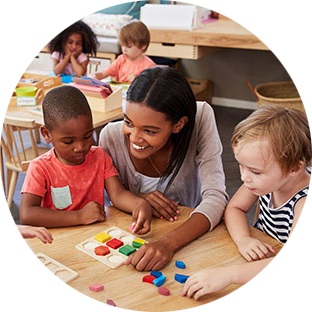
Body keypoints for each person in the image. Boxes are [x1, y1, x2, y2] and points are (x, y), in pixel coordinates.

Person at [99, 67, 228, 271]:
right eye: (128, 122)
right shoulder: (110, 137)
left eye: (149, 130)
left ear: (178, 125)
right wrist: (137, 198)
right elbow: (108, 200)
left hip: (188, 235)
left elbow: (216, 197)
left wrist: (168, 244)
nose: (134, 138)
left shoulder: (200, 117)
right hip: (132, 241)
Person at [181, 104, 311, 300]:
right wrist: (243, 240)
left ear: (293, 168)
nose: (244, 177)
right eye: (241, 166)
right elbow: (234, 208)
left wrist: (229, 275)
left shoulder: (304, 203)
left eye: (255, 171)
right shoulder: (266, 182)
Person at [19, 85, 151, 233]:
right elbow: (27, 214)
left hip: (93, 236)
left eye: (88, 136)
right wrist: (79, 216)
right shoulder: (40, 168)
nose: (80, 147)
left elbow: (118, 194)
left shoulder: (100, 157)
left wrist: (139, 203)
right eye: (68, 141)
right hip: (58, 240)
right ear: (46, 134)